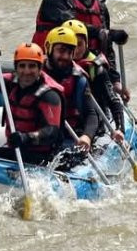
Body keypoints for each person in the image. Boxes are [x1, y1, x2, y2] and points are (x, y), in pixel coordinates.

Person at [31, 0, 131, 102]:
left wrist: (115, 82)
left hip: (92, 71)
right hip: (54, 70)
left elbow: (107, 49)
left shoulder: (100, 7)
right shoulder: (52, 0)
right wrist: (106, 33)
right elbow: (73, 26)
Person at [0, 42, 63, 166]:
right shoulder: (11, 83)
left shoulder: (49, 95)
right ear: (16, 68)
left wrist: (25, 138)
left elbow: (51, 132)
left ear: (40, 68)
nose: (26, 71)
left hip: (42, 157)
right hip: (16, 149)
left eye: (32, 66)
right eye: (22, 66)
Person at [61, 20, 126, 145]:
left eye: (79, 44)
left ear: (86, 44)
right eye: (70, 46)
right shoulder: (56, 65)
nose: (75, 50)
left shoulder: (95, 68)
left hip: (95, 120)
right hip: (66, 122)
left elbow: (113, 100)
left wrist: (119, 129)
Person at [41, 26, 100, 155]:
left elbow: (91, 114)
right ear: (48, 47)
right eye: (61, 51)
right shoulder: (33, 70)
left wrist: (87, 137)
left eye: (70, 52)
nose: (66, 56)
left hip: (68, 135)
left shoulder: (78, 79)